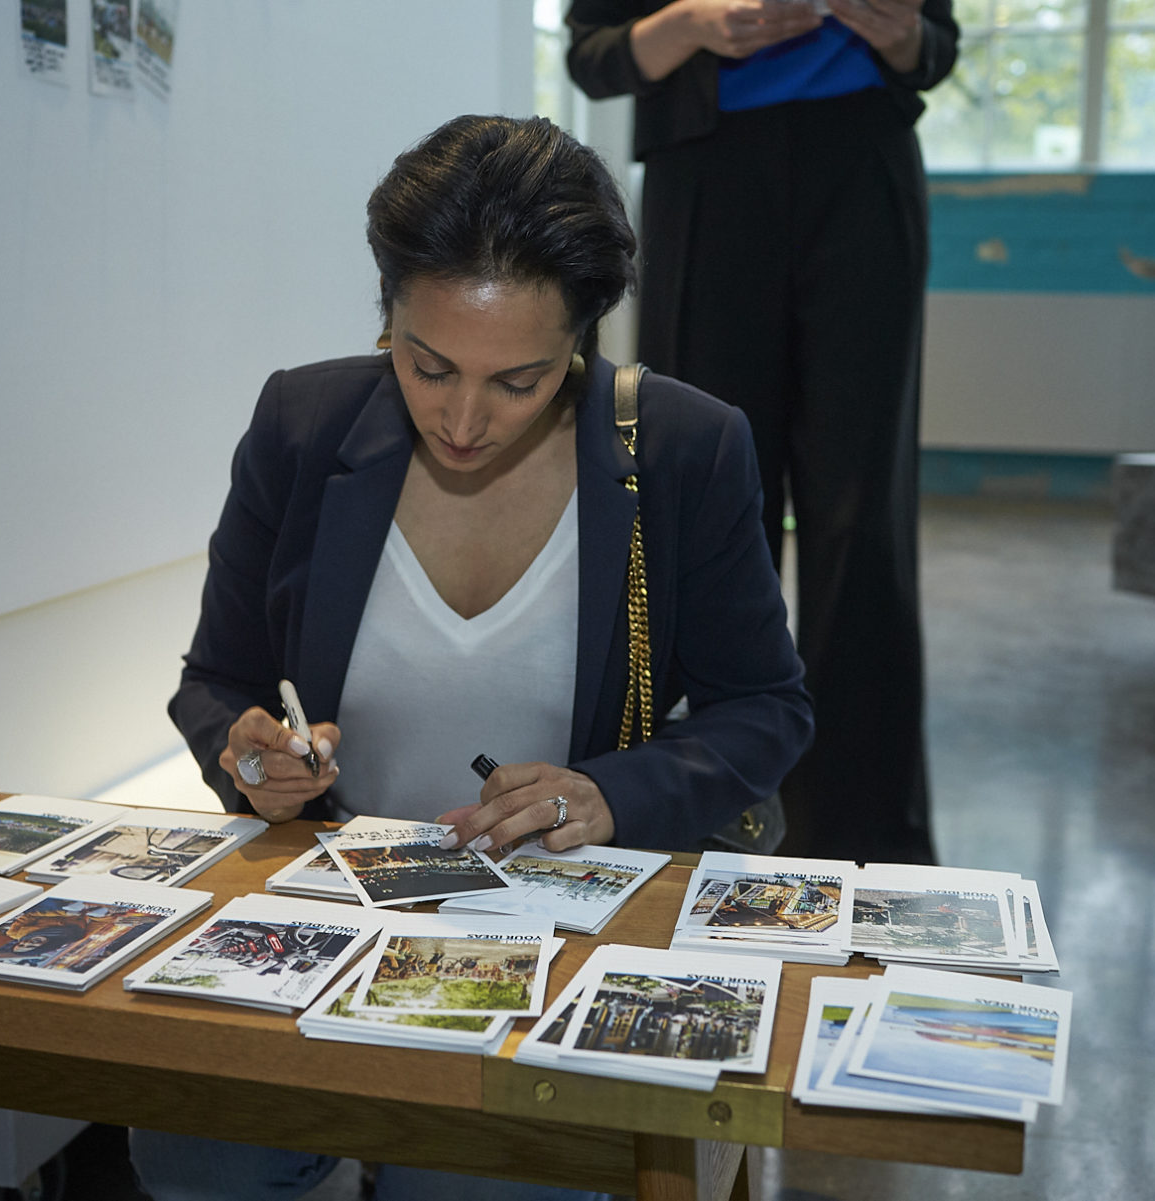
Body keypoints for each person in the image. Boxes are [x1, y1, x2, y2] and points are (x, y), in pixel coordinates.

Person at [141, 114, 812, 1201]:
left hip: (554, 929)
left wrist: (606, 791)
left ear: (583, 344)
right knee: (190, 1151)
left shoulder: (684, 450)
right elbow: (215, 678)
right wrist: (248, 755)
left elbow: (767, 710)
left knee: (475, 1176)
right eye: (427, 364)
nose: (461, 419)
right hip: (336, 906)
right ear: (387, 317)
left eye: (517, 381)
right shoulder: (304, 426)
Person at [564, 0, 958, 865]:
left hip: (865, 166)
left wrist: (898, 33)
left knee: (863, 518)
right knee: (703, 498)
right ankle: (688, 808)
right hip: (706, 174)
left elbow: (936, 44)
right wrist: (695, 24)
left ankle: (866, 842)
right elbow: (592, 55)